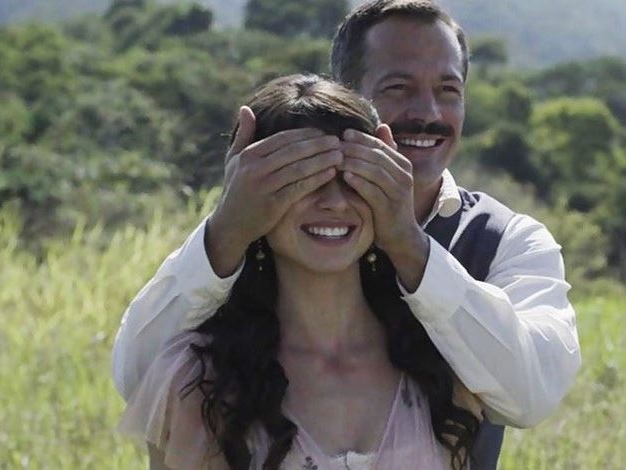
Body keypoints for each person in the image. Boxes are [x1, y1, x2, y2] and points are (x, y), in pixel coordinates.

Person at [113, 1, 581, 468]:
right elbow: (140, 377)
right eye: (398, 87)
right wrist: (229, 230)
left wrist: (409, 246)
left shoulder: (507, 240)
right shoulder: (250, 231)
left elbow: (530, 394)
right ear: (348, 99)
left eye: (448, 90)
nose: (427, 112)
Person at [119, 73, 485, 469]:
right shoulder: (201, 382)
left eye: (352, 178)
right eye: (303, 180)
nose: (333, 202)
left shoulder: (439, 361)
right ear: (248, 195)